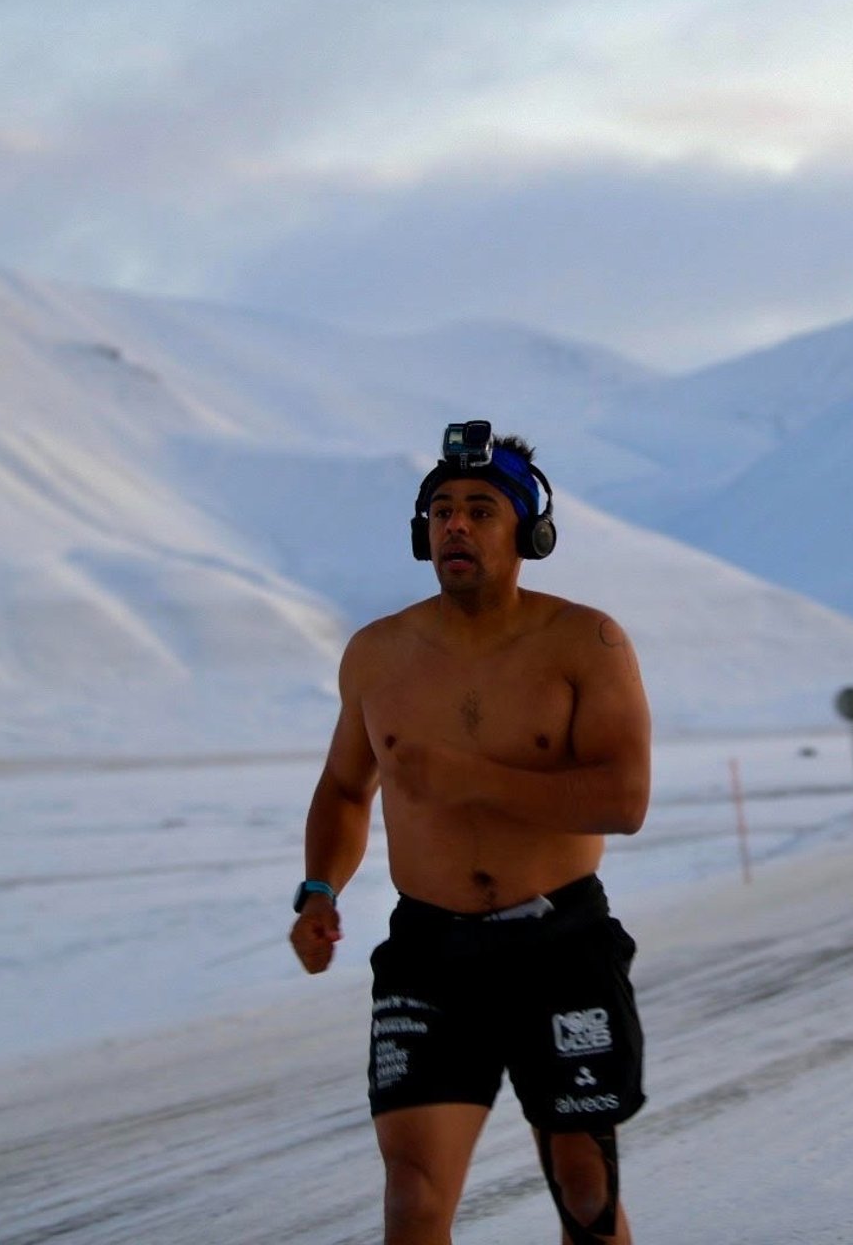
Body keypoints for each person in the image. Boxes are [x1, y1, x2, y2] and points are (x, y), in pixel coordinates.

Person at [290, 421, 652, 1245]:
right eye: (441, 511)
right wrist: (318, 890)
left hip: (560, 942)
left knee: (584, 1188)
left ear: (528, 531)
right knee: (413, 1198)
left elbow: (624, 800)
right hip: (430, 951)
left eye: (481, 510)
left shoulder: (585, 642)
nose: (455, 525)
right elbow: (346, 789)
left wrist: (473, 780)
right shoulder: (377, 655)